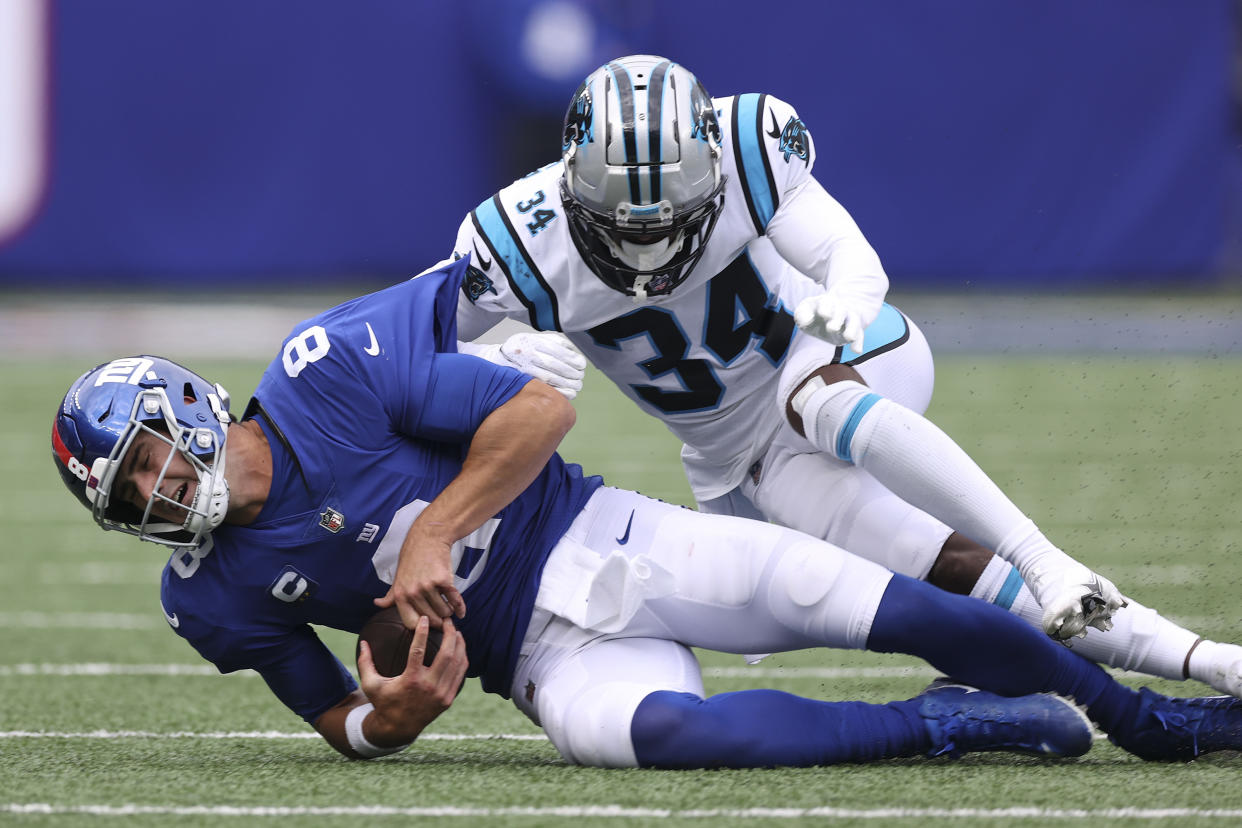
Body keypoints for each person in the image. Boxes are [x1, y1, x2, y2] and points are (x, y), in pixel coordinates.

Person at [50, 257, 1242, 767]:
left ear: (190, 408)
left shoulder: (327, 372)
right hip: (535, 660)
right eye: (134, 496)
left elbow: (535, 413)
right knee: (682, 739)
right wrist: (393, 716)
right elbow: (334, 721)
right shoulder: (206, 592)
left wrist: (430, 528)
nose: (160, 492)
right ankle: (954, 727)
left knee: (881, 602)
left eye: (152, 459)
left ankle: (1152, 720)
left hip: (596, 535)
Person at [446, 54, 1242, 696]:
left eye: (674, 201)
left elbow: (855, 272)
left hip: (859, 361)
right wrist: (500, 357)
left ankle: (1046, 558)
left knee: (815, 401)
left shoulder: (752, 143)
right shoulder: (519, 236)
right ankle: (1205, 660)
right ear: (571, 176)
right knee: (945, 568)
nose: (650, 234)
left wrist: (816, 339)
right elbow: (412, 346)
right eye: (625, 207)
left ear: (712, 159)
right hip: (749, 460)